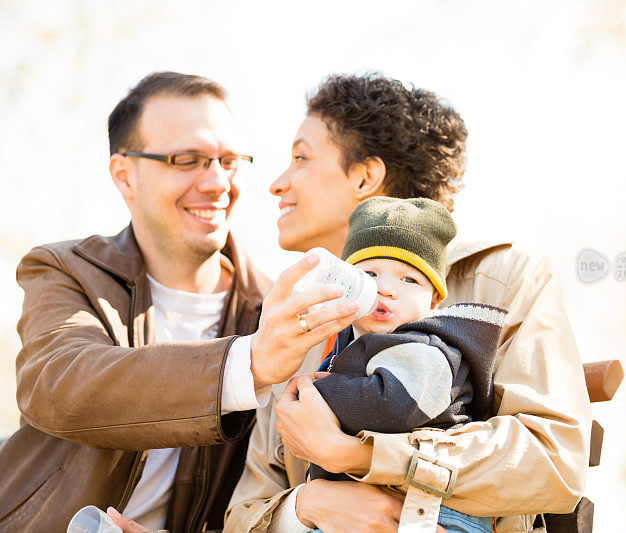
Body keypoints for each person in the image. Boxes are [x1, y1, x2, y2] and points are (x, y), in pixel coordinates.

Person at [225, 73, 592, 533]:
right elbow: (246, 510)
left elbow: (554, 459)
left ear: (365, 177)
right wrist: (305, 506)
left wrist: (359, 456)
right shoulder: (297, 318)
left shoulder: (502, 278)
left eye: (301, 158)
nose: (277, 183)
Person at [0, 71, 358, 532]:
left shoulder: (275, 310)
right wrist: (248, 363)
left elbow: (260, 497)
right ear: (124, 175)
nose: (216, 183)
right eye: (187, 159)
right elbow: (59, 386)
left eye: (228, 160)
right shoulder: (65, 268)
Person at [308, 196, 507, 533]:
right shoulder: (345, 344)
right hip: (372, 505)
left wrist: (317, 390)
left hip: (438, 510)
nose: (385, 288)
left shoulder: (428, 349)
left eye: (409, 280)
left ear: (434, 301)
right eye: (369, 273)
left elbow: (390, 405)